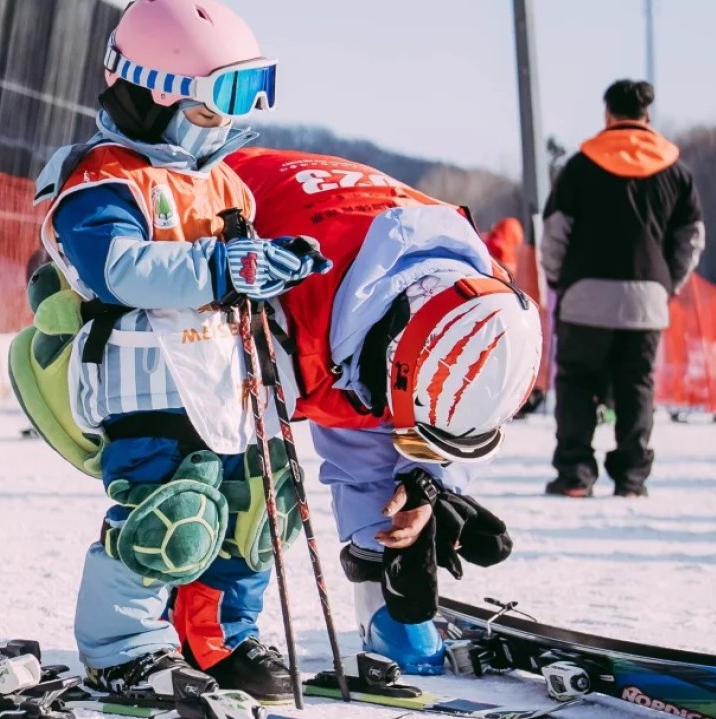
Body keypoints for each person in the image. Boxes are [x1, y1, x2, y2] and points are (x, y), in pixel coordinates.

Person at [30, 0, 325, 703]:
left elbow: (240, 268)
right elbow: (118, 269)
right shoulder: (102, 177)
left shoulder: (225, 181)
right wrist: (228, 267)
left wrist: (274, 267)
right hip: (143, 382)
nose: (226, 121)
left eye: (244, 99)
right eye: (209, 105)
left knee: (253, 511)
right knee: (168, 512)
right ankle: (125, 648)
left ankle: (220, 637)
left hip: (224, 378)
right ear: (150, 94)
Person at [224, 148, 544, 675]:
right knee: (238, 478)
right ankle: (205, 622)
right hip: (212, 216)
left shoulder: (488, 303)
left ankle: (380, 590)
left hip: (357, 281)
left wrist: (429, 482)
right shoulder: (288, 309)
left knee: (375, 416)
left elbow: (451, 402)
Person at [540, 79, 705, 498]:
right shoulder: (676, 172)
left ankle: (575, 474)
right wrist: (665, 284)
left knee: (577, 382)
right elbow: (691, 240)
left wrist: (559, 280)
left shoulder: (580, 167)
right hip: (647, 301)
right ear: (647, 116)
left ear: (608, 115)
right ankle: (631, 478)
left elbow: (555, 234)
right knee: (636, 385)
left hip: (584, 298)